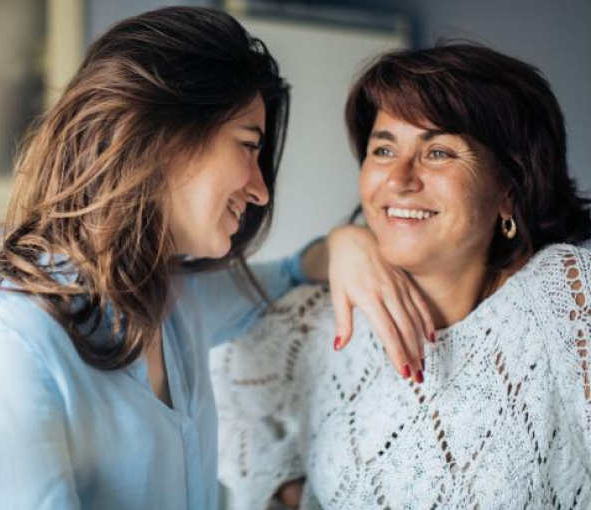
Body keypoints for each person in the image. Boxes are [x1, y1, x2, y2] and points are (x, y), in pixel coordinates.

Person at [0, 7, 432, 510]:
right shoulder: (9, 342)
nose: (261, 191)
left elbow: (285, 276)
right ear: (163, 138)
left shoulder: (172, 297)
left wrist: (347, 243)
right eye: (247, 146)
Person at [214, 43, 591, 509]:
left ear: (508, 191)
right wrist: (289, 492)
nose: (399, 177)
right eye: (384, 148)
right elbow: (230, 397)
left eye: (438, 152)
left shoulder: (565, 299)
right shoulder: (317, 322)